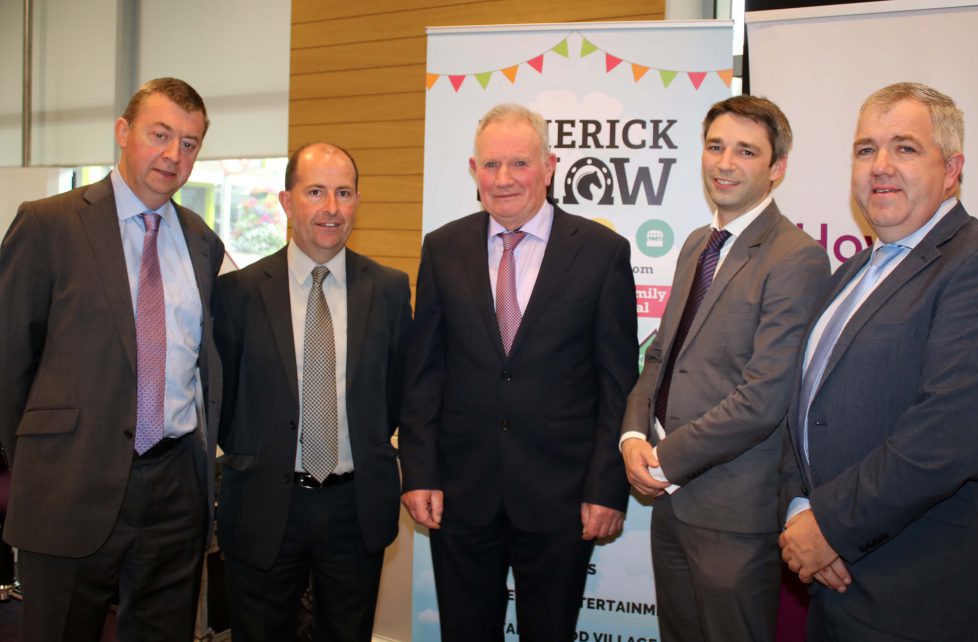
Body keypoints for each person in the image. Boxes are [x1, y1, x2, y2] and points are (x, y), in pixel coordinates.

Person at [778, 82, 978, 641]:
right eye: (866, 149)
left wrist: (830, 526)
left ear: (952, 168)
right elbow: (804, 411)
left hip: (926, 594)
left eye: (905, 148)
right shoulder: (849, 274)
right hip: (838, 583)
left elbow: (947, 439)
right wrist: (798, 511)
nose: (880, 166)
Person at [399, 103, 638, 641]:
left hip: (562, 499)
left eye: (519, 164)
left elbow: (616, 381)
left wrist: (606, 485)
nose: (503, 179)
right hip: (461, 496)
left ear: (549, 166)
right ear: (472, 169)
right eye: (490, 165)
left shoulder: (602, 253)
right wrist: (420, 472)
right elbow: (424, 375)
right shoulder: (442, 249)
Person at [0, 77, 223, 641]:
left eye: (190, 143)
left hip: (175, 486)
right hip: (69, 484)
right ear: (124, 132)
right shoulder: (49, 223)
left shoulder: (201, 242)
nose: (174, 155)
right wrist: (37, 462)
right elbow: (7, 364)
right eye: (160, 134)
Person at [620, 95, 829, 641]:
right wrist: (633, 433)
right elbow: (661, 354)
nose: (725, 163)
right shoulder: (698, 243)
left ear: (776, 168)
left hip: (733, 515)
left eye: (746, 151)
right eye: (715, 147)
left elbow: (764, 398)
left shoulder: (796, 257)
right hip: (670, 505)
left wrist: (664, 460)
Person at [214, 143, 411, 641]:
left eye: (343, 193)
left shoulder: (388, 289)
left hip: (354, 505)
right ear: (286, 201)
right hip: (262, 506)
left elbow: (396, 392)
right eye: (316, 192)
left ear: (357, 202)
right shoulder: (237, 293)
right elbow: (223, 401)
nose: (331, 208)